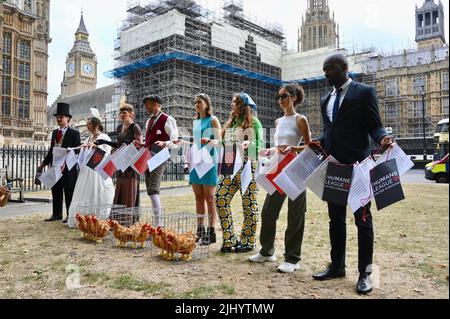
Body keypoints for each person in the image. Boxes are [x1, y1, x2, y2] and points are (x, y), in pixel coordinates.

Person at [310, 53, 394, 295]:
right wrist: (319, 141)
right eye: (325, 69)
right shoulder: (326, 99)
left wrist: (383, 138)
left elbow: (374, 125)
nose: (326, 73)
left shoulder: (364, 92)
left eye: (331, 69)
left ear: (345, 68)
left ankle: (365, 273)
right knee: (335, 220)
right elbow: (330, 132)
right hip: (334, 167)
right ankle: (337, 266)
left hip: (359, 168)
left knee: (363, 221)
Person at [249, 84, 312, 273]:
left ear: (293, 98)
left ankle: (293, 259)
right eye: (279, 97)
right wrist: (267, 151)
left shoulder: (301, 119)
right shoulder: (278, 122)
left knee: (295, 214)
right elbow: (279, 146)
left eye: (284, 96)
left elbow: (310, 146)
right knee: (268, 211)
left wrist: (294, 148)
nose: (280, 100)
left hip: (295, 169)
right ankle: (267, 251)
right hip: (277, 167)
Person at [215, 92, 263, 254]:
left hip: (247, 167)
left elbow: (259, 146)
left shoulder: (254, 122)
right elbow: (224, 144)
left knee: (248, 203)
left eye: (235, 103)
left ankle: (248, 241)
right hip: (229, 165)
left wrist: (250, 142)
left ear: (243, 105)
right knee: (220, 197)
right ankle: (229, 239)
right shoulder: (231, 123)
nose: (232, 106)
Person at [133, 95, 179, 226]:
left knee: (153, 189)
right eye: (145, 104)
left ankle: (159, 225)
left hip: (160, 156)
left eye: (148, 104)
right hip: (148, 156)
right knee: (150, 190)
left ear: (156, 104)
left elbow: (175, 140)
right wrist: (142, 144)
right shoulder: (149, 122)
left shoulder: (168, 119)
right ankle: (158, 223)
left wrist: (165, 143)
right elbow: (149, 141)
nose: (146, 107)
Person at [67, 108, 115, 228]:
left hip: (97, 169)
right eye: (87, 124)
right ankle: (83, 218)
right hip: (86, 170)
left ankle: (98, 218)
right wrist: (84, 147)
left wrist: (94, 147)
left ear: (96, 125)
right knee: (84, 191)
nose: (87, 127)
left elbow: (106, 152)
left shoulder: (104, 137)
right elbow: (84, 155)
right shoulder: (88, 138)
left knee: (97, 191)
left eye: (90, 124)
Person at [189, 93, 222, 245]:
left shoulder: (213, 120)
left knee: (209, 197)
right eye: (195, 102)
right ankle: (200, 230)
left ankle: (211, 231)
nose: (197, 104)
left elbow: (219, 141)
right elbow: (195, 142)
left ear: (207, 104)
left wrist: (210, 140)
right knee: (198, 197)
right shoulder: (195, 122)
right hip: (196, 161)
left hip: (209, 161)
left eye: (199, 102)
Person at [41, 103, 81, 222]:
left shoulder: (74, 133)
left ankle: (69, 215)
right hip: (55, 165)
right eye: (57, 117)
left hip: (68, 167)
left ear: (67, 118)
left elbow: (78, 149)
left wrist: (70, 150)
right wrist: (44, 162)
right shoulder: (54, 133)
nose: (59, 119)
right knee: (56, 189)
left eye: (61, 117)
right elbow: (52, 150)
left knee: (69, 191)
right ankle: (56, 214)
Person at [98, 103, 143, 208]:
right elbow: (118, 145)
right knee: (120, 187)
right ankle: (119, 217)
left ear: (131, 114)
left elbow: (140, 146)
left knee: (129, 188)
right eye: (121, 113)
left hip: (131, 163)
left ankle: (129, 217)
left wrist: (130, 147)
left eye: (124, 112)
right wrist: (105, 142)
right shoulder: (119, 128)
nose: (122, 114)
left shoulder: (135, 127)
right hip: (121, 162)